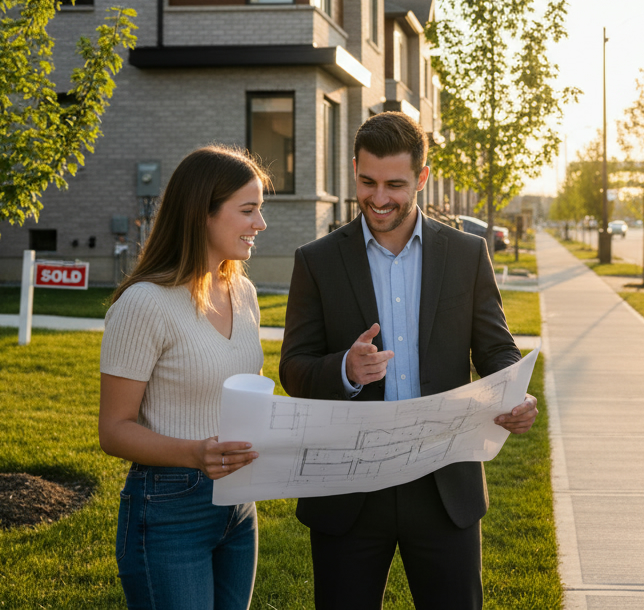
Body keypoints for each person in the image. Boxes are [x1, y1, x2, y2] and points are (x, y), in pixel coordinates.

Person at [279, 111, 539, 609]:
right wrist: (345, 371)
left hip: (443, 485)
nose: (379, 198)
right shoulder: (316, 260)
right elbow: (294, 368)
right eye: (367, 181)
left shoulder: (466, 254)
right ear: (354, 169)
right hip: (347, 489)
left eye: (395, 184)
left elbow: (495, 348)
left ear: (421, 178)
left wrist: (515, 393)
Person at [98, 145, 270, 610]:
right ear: (203, 215)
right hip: (170, 509)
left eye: (261, 209)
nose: (261, 223)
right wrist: (195, 454)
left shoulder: (243, 291)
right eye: (248, 210)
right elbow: (113, 431)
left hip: (238, 507)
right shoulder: (143, 304)